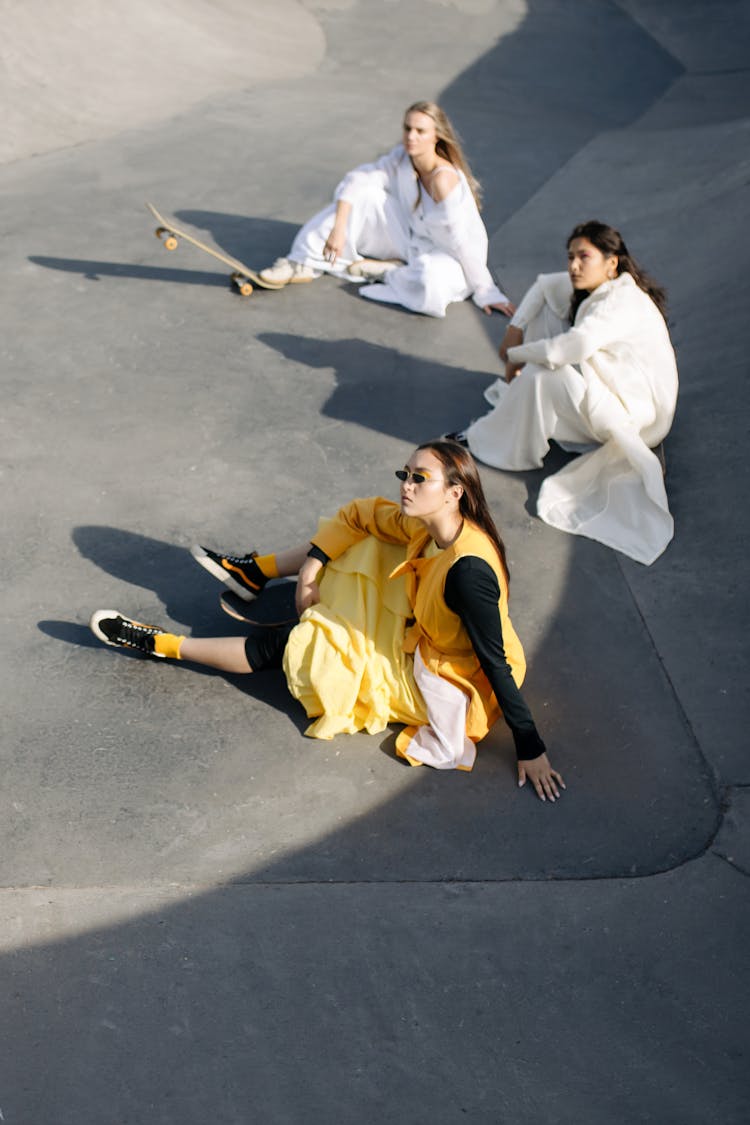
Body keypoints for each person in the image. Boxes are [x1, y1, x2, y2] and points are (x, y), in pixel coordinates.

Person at [89, 441, 564, 801]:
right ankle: (255, 571)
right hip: (422, 631)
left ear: (455, 493)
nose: (407, 485)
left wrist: (531, 747)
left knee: (299, 648)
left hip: (448, 679)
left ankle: (159, 644)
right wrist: (311, 567)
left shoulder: (468, 572)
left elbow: (495, 662)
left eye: (420, 479)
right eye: (406, 473)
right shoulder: (433, 525)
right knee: (366, 539)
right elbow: (363, 516)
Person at [452, 221, 679, 565]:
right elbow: (546, 286)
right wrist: (515, 329)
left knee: (543, 376)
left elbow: (571, 347)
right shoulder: (604, 288)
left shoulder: (622, 301)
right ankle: (522, 415)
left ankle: (499, 442)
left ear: (612, 262)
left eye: (583, 256)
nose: (573, 265)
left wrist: (515, 355)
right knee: (548, 330)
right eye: (570, 256)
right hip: (617, 389)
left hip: (638, 415)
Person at [257, 100, 514, 320]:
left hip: (449, 256)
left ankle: (392, 272)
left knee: (431, 280)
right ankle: (300, 261)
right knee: (364, 196)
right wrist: (338, 229)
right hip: (412, 239)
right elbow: (359, 179)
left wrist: (486, 290)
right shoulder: (402, 157)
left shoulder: (443, 179)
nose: (411, 136)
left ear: (436, 136)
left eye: (420, 131)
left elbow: (462, 242)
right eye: (407, 128)